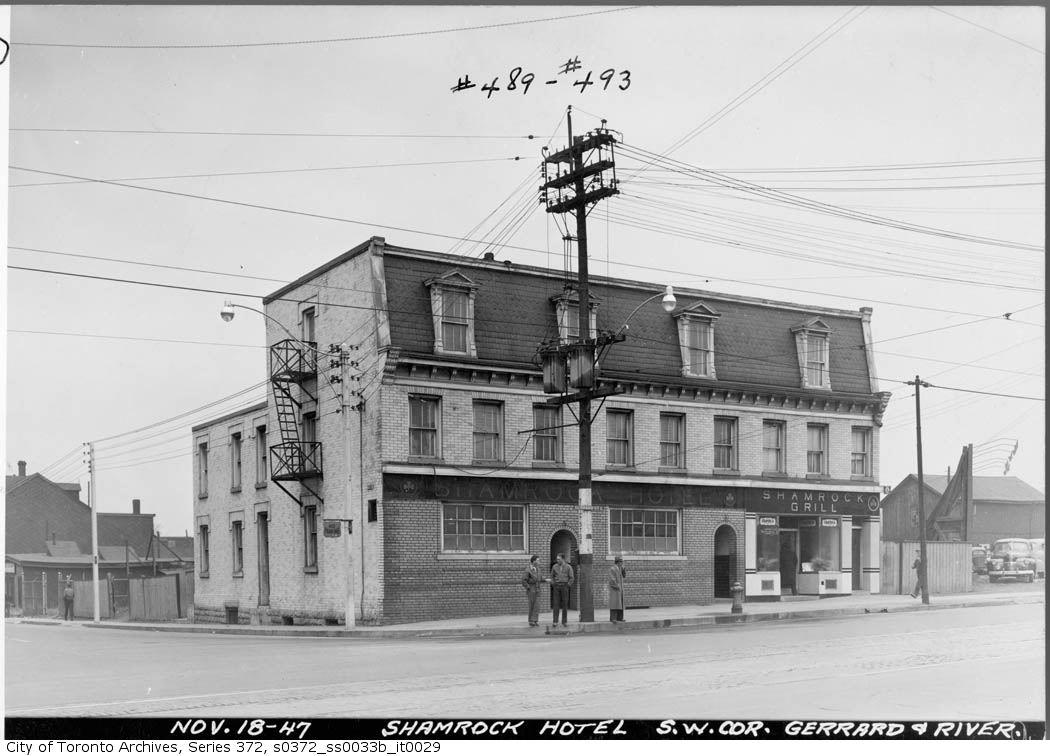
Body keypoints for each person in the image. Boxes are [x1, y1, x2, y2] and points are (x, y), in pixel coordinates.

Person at [521, 555, 547, 627]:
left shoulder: (538, 569)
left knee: (537, 605)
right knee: (532, 605)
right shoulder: (528, 570)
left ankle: (535, 620)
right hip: (531, 589)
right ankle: (531, 621)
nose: (539, 562)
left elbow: (540, 578)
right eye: (538, 560)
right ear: (533, 561)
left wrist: (546, 580)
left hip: (538, 588)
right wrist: (528, 587)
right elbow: (524, 580)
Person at [550, 553, 574, 627]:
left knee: (564, 604)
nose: (557, 560)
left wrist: (568, 585)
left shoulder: (568, 567)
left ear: (563, 559)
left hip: (564, 586)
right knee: (556, 604)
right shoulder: (554, 567)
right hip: (556, 587)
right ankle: (555, 621)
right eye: (557, 559)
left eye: (559, 559)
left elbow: (571, 578)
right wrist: (553, 584)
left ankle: (564, 621)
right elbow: (552, 576)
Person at [608, 556, 626, 622]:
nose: (622, 563)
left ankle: (620, 618)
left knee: (620, 603)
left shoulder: (621, 569)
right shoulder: (612, 569)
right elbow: (612, 579)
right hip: (615, 589)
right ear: (617, 562)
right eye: (621, 562)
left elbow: (624, 576)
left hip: (620, 589)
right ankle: (613, 618)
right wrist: (616, 585)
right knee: (614, 603)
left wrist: (624, 570)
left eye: (622, 562)